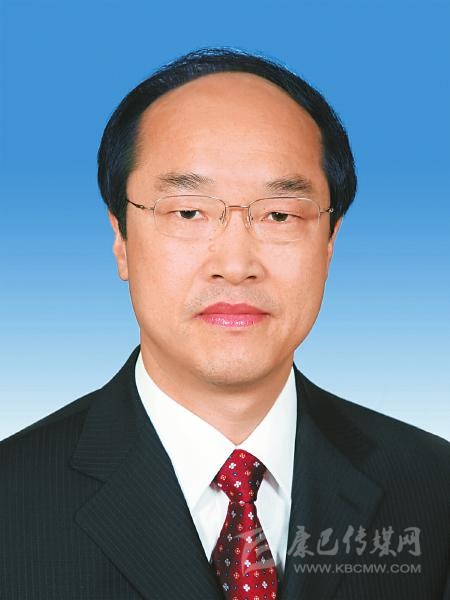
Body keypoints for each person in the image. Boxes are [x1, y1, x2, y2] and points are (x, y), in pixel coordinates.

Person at [1, 48, 449, 600]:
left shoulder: (433, 487)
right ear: (121, 238)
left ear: (330, 241)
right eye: (189, 212)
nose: (235, 265)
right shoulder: (10, 500)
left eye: (279, 214)